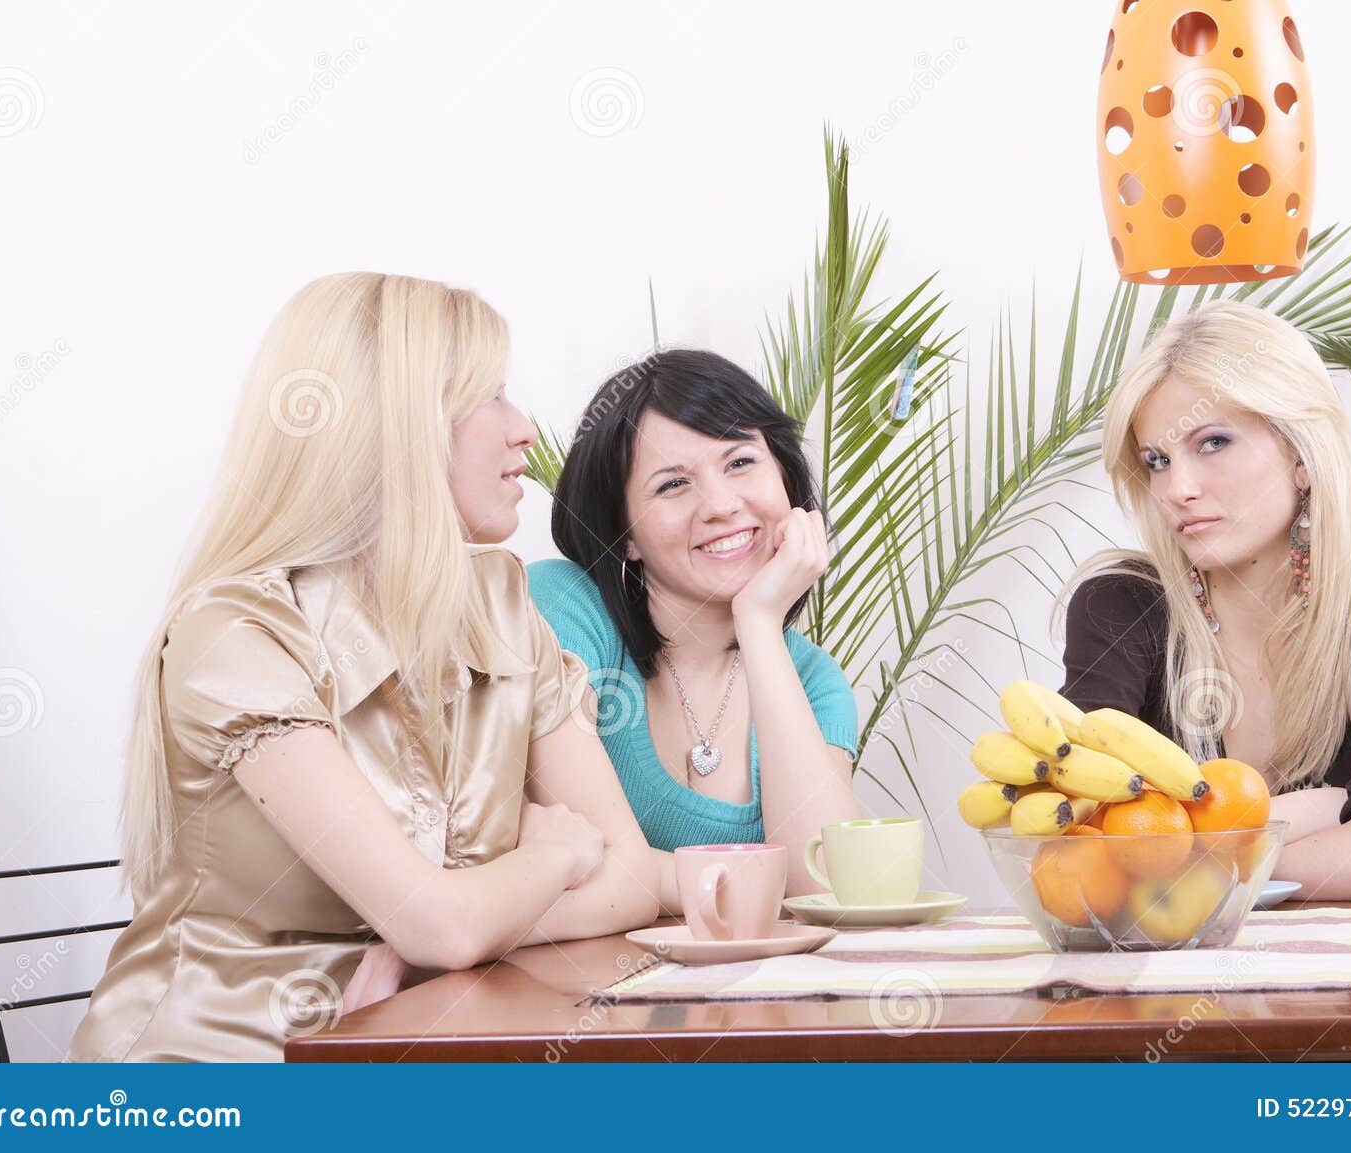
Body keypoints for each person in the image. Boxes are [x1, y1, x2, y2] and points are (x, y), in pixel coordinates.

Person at [67, 273, 658, 1061]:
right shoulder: (238, 631)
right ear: (399, 427)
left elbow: (630, 881)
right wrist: (549, 859)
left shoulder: (499, 600)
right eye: (491, 396)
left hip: (416, 1047)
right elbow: (448, 917)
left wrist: (444, 935)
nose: (524, 429)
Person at [1057, 300, 1351, 901]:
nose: (1178, 489)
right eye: (1157, 461)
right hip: (1167, 989)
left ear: (1301, 455)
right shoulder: (1119, 608)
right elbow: (1082, 839)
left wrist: (1184, 858)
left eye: (1214, 442)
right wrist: (1328, 809)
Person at [528, 350, 861, 910]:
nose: (722, 506)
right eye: (673, 485)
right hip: (568, 991)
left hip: (752, 995)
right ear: (625, 533)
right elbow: (600, 863)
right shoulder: (562, 608)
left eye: (740, 463)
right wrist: (757, 890)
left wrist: (758, 622)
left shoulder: (812, 680)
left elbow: (826, 884)